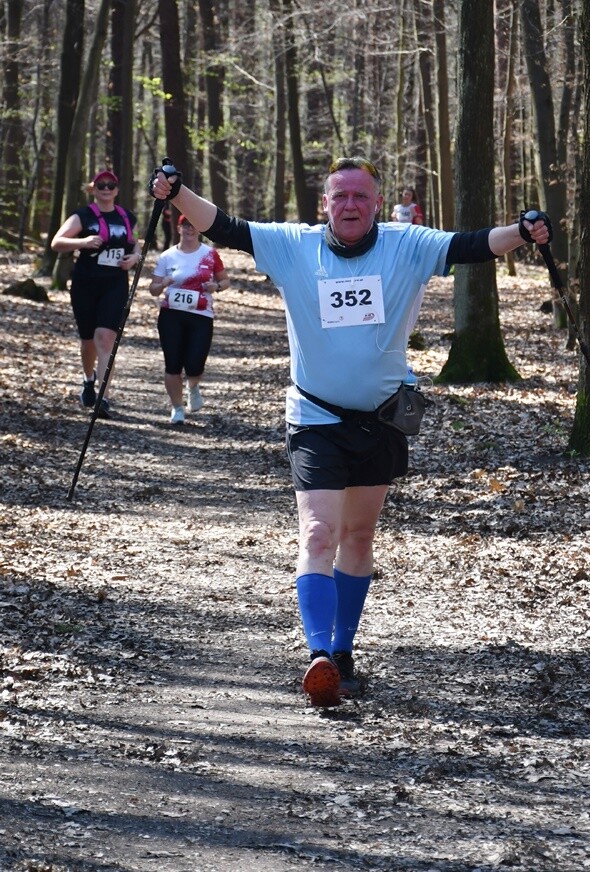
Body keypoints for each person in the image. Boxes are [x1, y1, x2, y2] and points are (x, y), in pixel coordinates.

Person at [149, 155, 552, 707]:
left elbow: (472, 245)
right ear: (326, 204)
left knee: (358, 537)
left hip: (381, 420)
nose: (350, 205)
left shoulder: (407, 245)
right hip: (315, 417)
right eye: (340, 195)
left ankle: (342, 653)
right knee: (319, 533)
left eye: (361, 196)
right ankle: (317, 653)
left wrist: (524, 231)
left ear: (378, 203)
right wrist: (177, 193)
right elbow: (225, 226)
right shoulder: (294, 246)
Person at [51, 169, 140, 419]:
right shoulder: (83, 215)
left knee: (105, 338)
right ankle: (88, 379)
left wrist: (135, 257)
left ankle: (104, 397)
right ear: (94, 189)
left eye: (111, 185)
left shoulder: (127, 217)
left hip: (115, 284)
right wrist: (83, 242)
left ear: (117, 189)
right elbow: (56, 242)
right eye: (101, 185)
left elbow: (134, 242)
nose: (106, 189)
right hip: (85, 284)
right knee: (88, 341)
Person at [149, 214, 230, 425]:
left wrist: (216, 287)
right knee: (172, 364)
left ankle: (193, 386)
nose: (190, 229)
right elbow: (153, 289)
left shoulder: (210, 254)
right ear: (179, 228)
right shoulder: (167, 256)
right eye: (185, 225)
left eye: (193, 225)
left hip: (201, 315)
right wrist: (163, 283)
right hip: (171, 315)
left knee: (195, 363)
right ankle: (177, 408)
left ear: (199, 230)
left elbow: (225, 281)